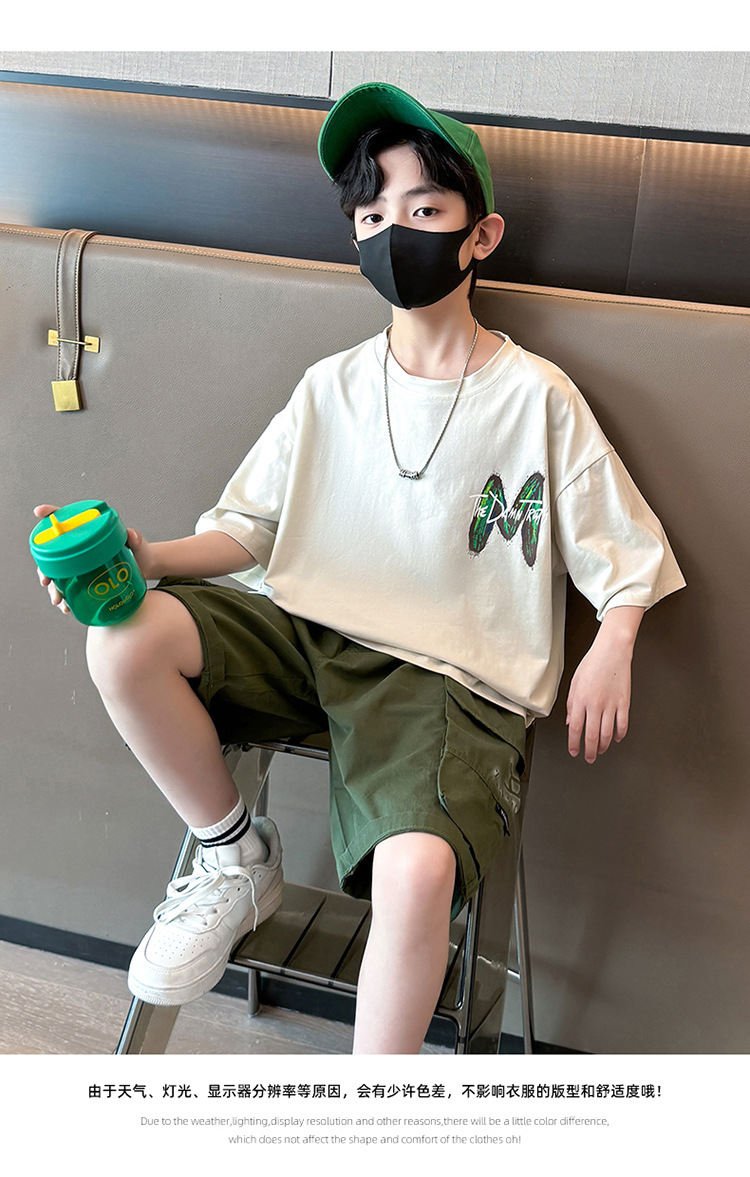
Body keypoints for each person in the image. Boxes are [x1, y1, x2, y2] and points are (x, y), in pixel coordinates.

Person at [35, 82, 686, 1055]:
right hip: (303, 632)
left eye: (423, 210)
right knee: (121, 635)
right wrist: (151, 558)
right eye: (373, 216)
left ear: (480, 235)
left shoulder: (537, 397)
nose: (393, 232)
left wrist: (615, 640)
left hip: (440, 675)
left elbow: (622, 547)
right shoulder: (330, 385)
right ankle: (234, 857)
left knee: (416, 873)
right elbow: (248, 529)